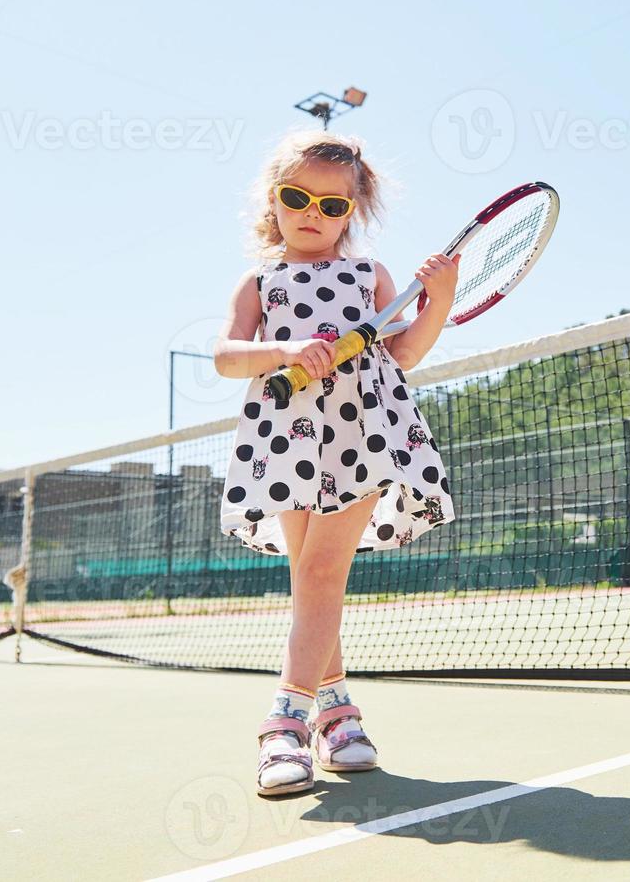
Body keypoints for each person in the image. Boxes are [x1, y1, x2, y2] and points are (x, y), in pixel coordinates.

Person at [213, 129, 458, 797]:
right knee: (310, 583)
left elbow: (402, 353)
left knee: (321, 571)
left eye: (332, 205)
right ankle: (338, 716)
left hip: (362, 436)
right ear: (273, 201)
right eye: (297, 198)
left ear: (354, 211)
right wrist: (288, 350)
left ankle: (283, 725)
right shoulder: (260, 279)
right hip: (286, 437)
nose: (312, 214)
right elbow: (228, 356)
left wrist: (441, 299)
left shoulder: (371, 276)